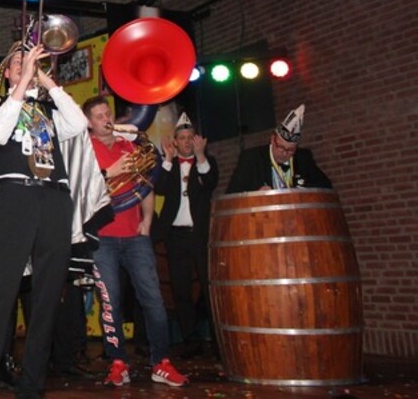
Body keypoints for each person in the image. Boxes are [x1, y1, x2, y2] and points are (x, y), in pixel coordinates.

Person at [0, 44, 103, 399]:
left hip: (55, 199)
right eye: (18, 63)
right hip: (16, 197)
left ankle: (32, 386)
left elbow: (80, 124)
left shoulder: (50, 110)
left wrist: (45, 80)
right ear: (8, 73)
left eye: (30, 62)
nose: (25, 66)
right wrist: (24, 79)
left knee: (47, 298)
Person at [82, 95, 189, 388]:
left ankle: (161, 362)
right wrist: (112, 172)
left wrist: (148, 220)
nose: (107, 119)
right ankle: (118, 362)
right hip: (102, 238)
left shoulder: (129, 145)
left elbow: (146, 185)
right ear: (89, 123)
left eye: (108, 113)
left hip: (135, 236)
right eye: (99, 116)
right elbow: (82, 191)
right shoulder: (84, 149)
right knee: (111, 302)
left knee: (153, 299)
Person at [153, 112, 219, 357]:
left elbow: (210, 182)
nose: (187, 142)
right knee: (180, 290)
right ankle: (191, 340)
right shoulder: (169, 166)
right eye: (182, 138)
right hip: (175, 236)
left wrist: (201, 156)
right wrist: (167, 159)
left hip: (200, 235)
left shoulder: (206, 162)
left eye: (191, 137)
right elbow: (159, 188)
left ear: (197, 140)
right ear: (175, 141)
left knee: (208, 287)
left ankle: (218, 340)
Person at [227, 104, 332, 193]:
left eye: (290, 150)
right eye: (281, 147)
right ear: (272, 140)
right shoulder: (252, 158)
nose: (284, 153)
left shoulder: (303, 158)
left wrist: (303, 190)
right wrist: (256, 195)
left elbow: (326, 186)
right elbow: (232, 193)